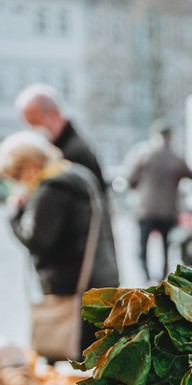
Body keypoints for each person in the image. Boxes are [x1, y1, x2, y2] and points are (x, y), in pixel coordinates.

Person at [0, 131, 119, 360]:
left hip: (71, 288)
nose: (17, 183)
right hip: (101, 279)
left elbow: (37, 241)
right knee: (95, 359)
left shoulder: (50, 190)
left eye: (16, 176)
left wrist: (16, 212)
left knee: (70, 363)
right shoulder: (78, 174)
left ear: (31, 166)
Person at [127, 120, 192, 282]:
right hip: (167, 212)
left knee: (142, 247)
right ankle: (161, 278)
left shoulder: (144, 156)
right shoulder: (176, 159)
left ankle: (147, 277)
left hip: (146, 210)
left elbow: (130, 180)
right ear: (170, 137)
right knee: (165, 247)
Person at [15, 83, 108, 192]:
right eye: (27, 124)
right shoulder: (64, 146)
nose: (31, 129)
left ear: (55, 114)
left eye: (34, 121)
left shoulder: (73, 153)